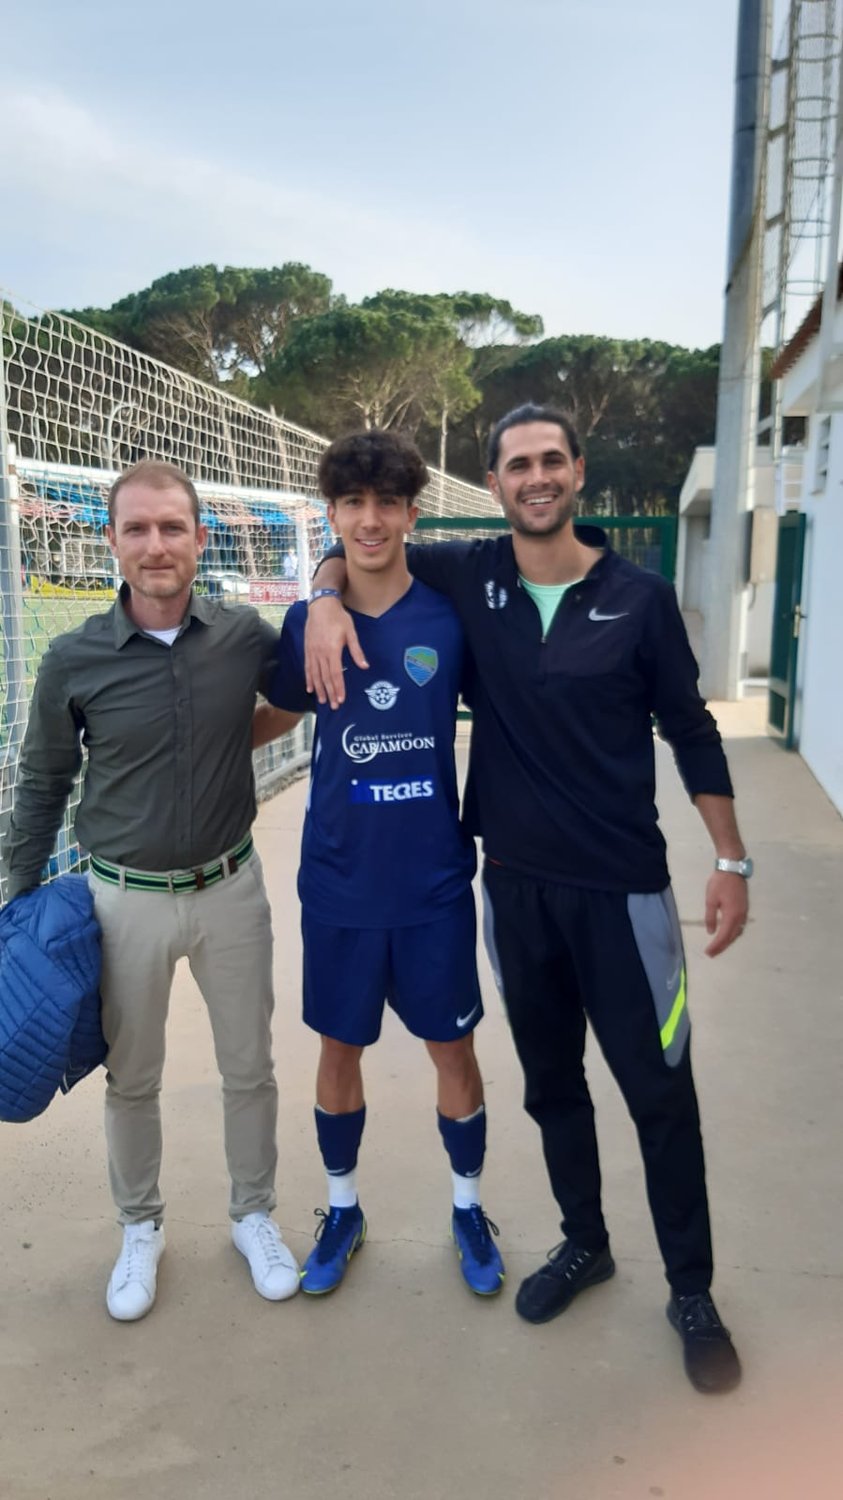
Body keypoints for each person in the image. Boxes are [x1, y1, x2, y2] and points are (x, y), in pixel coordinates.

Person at [304, 404, 751, 1394]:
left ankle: (692, 1290)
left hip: (624, 895)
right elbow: (362, 550)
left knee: (659, 1093)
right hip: (513, 890)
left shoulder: (639, 598)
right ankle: (583, 1242)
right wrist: (325, 595)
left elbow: (691, 731)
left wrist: (730, 859)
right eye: (518, 465)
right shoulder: (474, 575)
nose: (536, 477)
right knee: (552, 1086)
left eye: (552, 461)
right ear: (498, 485)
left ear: (578, 472)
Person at [1, 460, 302, 1322]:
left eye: (172, 526)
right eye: (136, 528)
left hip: (230, 890)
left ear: (200, 538)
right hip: (119, 900)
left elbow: (295, 688)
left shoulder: (245, 634)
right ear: (112, 543)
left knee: (250, 1068)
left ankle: (253, 1214)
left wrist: (229, 741)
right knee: (132, 1078)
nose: (156, 544)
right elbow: (43, 780)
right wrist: (19, 904)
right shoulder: (74, 658)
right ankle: (141, 1227)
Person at [255, 429, 505, 1298]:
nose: (369, 521)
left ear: (410, 512)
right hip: (338, 881)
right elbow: (275, 718)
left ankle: (468, 1208)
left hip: (433, 881)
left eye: (386, 503)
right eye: (352, 505)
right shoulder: (304, 623)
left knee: (453, 1052)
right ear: (331, 513)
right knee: (338, 1049)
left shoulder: (449, 618)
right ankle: (342, 1208)